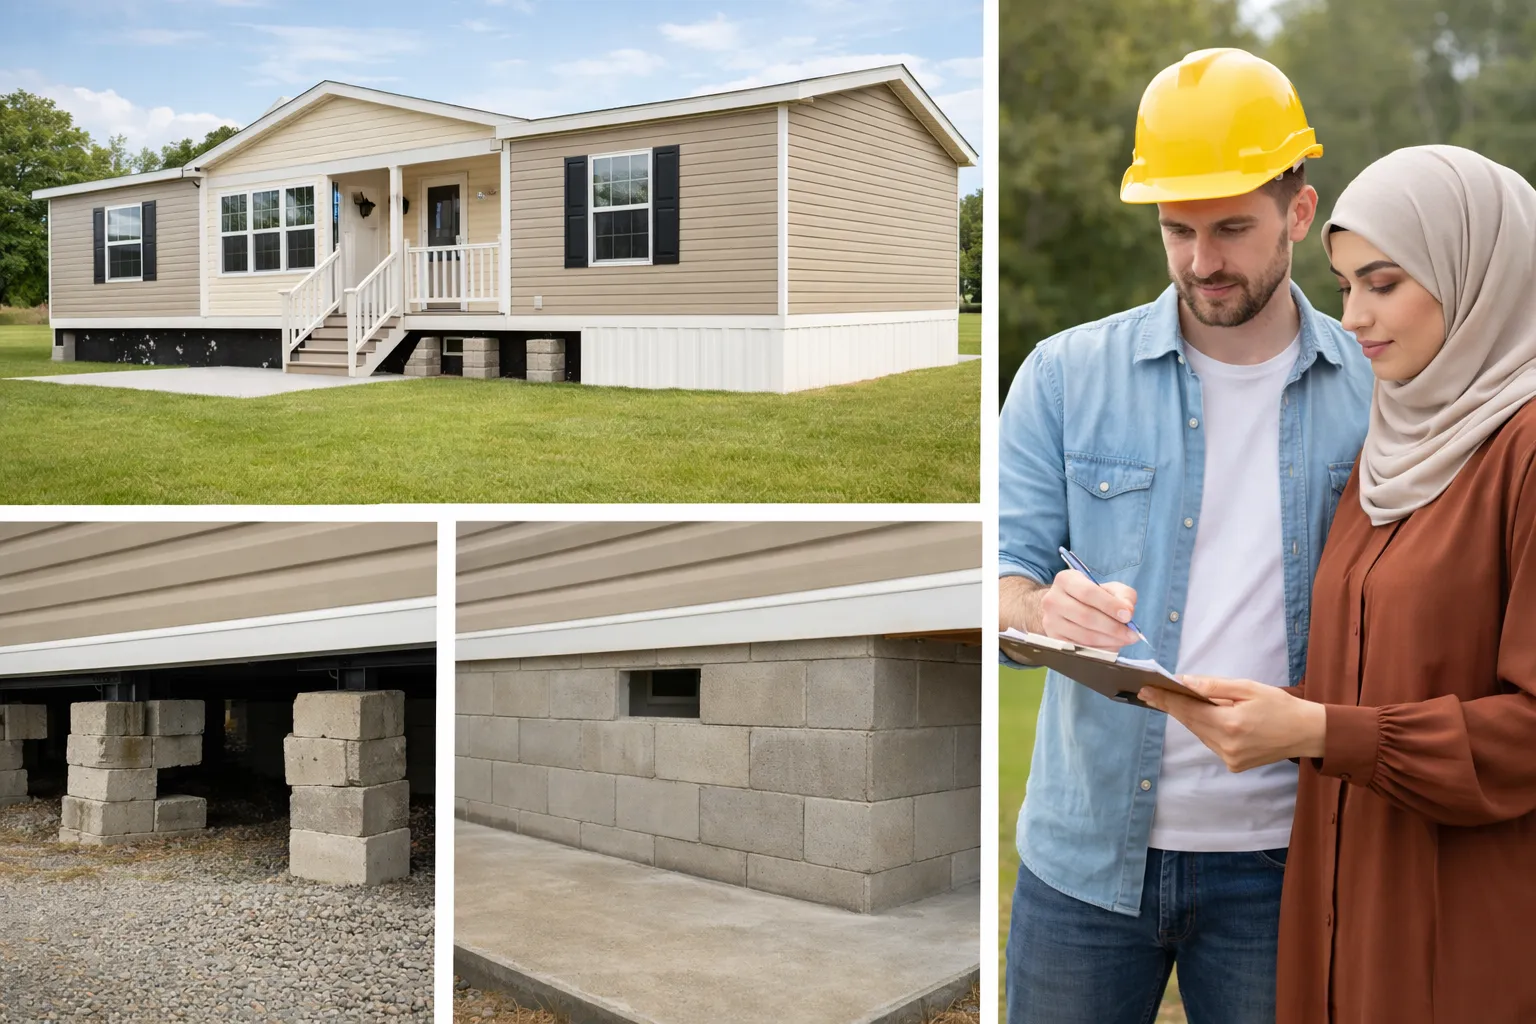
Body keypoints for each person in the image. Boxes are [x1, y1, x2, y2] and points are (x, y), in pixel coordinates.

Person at [998, 48, 1374, 1023]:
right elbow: (995, 584)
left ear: (1299, 212)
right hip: (1085, 864)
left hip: (1286, 863)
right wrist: (1044, 608)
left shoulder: (1380, 394)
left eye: (1233, 228)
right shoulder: (1062, 375)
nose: (1205, 259)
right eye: (1179, 229)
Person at [1140, 144, 1536, 1023]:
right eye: (1347, 284)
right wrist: (1266, 708)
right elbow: (1380, 674)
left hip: (1466, 924)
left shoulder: (1526, 449)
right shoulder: (1393, 444)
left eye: (1384, 283)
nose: (1352, 317)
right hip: (1344, 905)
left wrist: (1321, 730)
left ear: (1480, 274)